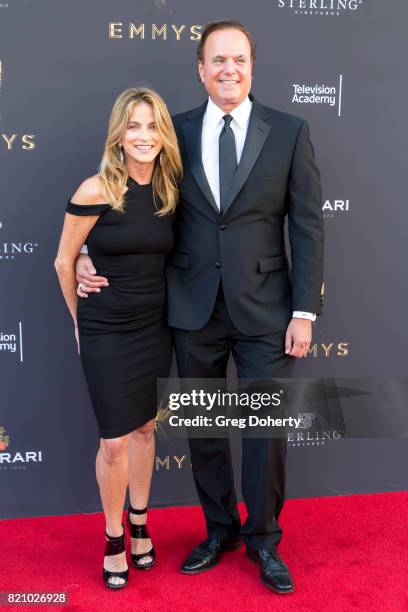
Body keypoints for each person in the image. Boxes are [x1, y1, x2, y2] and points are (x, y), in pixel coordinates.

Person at [76, 21, 324, 594]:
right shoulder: (173, 133)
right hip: (192, 310)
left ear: (252, 67)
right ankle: (219, 531)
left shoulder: (289, 132)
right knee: (206, 431)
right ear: (200, 69)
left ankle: (263, 540)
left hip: (268, 309)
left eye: (238, 59)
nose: (228, 70)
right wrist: (89, 250)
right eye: (217, 61)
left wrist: (305, 312)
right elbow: (130, 198)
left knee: (264, 433)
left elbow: (308, 228)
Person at [55, 87, 182, 589]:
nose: (144, 135)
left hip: (157, 327)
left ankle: (140, 521)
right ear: (118, 133)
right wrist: (78, 325)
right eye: (133, 126)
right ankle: (113, 538)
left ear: (164, 133)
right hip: (106, 329)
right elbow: (65, 259)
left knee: (147, 429)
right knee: (113, 442)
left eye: (152, 125)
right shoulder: (96, 189)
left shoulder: (173, 189)